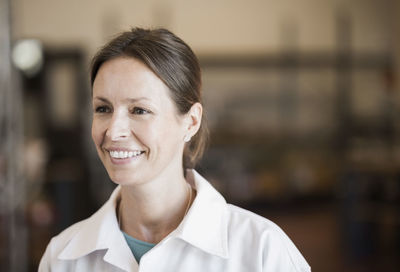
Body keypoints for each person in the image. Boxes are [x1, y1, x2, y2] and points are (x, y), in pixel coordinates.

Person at [39, 27, 311, 272]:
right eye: (103, 109)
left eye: (139, 110)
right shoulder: (63, 258)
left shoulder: (261, 251)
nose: (113, 131)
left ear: (191, 122)